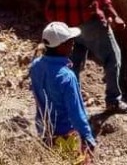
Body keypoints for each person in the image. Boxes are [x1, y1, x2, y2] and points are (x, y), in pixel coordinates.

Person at [29, 22, 96, 162]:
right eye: (69, 41)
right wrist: (87, 138)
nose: (73, 43)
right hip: (66, 135)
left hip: (46, 133)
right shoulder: (66, 77)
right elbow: (76, 112)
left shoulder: (35, 66)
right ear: (60, 46)